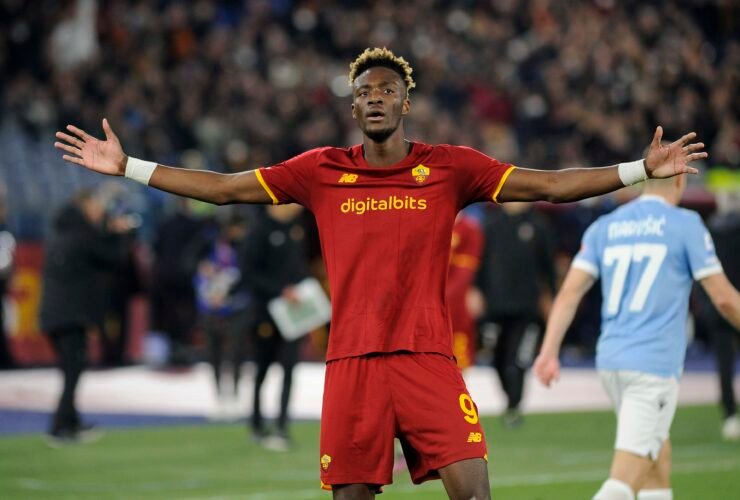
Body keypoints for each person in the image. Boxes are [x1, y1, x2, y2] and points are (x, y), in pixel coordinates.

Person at [54, 47, 706, 499]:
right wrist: (129, 167)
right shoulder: (319, 170)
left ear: (405, 102)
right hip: (353, 363)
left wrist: (638, 170)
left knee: (475, 492)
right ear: (354, 107)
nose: (374, 99)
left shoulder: (450, 167)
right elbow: (225, 189)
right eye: (363, 92)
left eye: (386, 90)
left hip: (427, 358)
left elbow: (549, 185)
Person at [533, 174, 740, 500]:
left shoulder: (605, 226)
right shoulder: (685, 224)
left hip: (611, 362)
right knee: (622, 484)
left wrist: (548, 352)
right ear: (680, 181)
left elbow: (570, 293)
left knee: (656, 458)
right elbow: (725, 299)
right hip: (652, 366)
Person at [39, 189, 129, 445]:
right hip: (72, 315)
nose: (99, 211)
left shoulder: (61, 231)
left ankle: (71, 421)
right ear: (85, 206)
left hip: (54, 314)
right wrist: (118, 234)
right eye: (96, 205)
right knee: (73, 370)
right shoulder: (83, 234)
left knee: (72, 368)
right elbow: (113, 259)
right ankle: (60, 427)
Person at [477, 202, 555, 427]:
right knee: (497, 359)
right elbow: (479, 263)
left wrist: (550, 298)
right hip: (495, 306)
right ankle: (510, 400)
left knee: (518, 360)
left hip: (527, 308)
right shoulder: (490, 224)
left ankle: (514, 406)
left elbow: (548, 267)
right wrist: (475, 290)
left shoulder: (538, 225)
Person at [243, 204, 310, 451]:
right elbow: (248, 274)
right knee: (262, 370)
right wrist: (280, 290)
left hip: (293, 314)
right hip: (266, 314)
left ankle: (282, 426)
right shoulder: (259, 230)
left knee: (289, 369)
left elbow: (300, 269)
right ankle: (257, 425)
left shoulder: (295, 230)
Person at [193, 212, 251, 421]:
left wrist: (229, 293)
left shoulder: (246, 246)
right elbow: (187, 262)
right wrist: (202, 268)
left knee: (236, 351)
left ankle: (234, 396)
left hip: (237, 305)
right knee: (214, 352)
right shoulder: (207, 242)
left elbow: (249, 273)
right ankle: (219, 396)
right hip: (211, 305)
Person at [701, 190, 740, 441]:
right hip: (730, 302)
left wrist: (705, 305)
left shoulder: (708, 231)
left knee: (724, 365)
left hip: (717, 306)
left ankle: (730, 416)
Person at [448, 211, 485, 370]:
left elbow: (465, 274)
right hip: (428, 303)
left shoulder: (470, 230)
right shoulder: (427, 226)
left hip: (456, 304)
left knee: (458, 356)